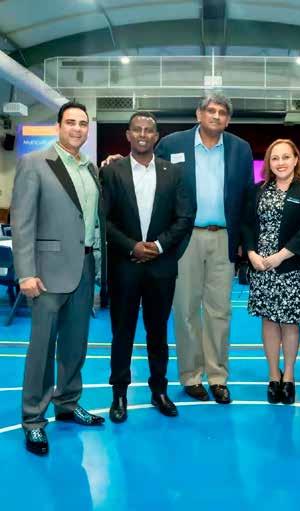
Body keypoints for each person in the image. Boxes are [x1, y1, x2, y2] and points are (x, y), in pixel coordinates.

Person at [11, 101, 105, 456]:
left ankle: (67, 402)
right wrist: (26, 273)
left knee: (75, 345)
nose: (77, 128)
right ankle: (33, 418)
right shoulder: (35, 163)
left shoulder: (90, 168)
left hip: (84, 267)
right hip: (46, 272)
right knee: (42, 349)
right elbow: (22, 222)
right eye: (71, 122)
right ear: (58, 126)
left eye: (83, 123)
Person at [155, 94, 253, 404]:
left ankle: (218, 377)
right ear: (199, 114)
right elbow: (151, 180)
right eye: (210, 110)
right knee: (185, 310)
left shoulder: (240, 149)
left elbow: (247, 198)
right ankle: (191, 376)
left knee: (220, 311)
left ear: (228, 119)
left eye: (222, 112)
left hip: (224, 238)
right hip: (185, 238)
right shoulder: (172, 144)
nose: (216, 116)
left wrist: (245, 242)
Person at [100, 111, 195, 423]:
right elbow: (104, 219)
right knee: (122, 332)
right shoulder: (111, 171)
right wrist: (133, 246)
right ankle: (119, 393)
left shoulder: (174, 172)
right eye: (137, 129)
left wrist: (158, 246)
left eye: (149, 130)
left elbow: (184, 217)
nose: (142, 134)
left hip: (161, 267)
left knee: (158, 332)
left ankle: (159, 390)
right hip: (125, 266)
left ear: (156, 136)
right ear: (128, 135)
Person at [243, 139, 300, 404]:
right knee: (268, 321)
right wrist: (251, 253)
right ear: (269, 163)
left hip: (292, 266)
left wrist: (281, 256)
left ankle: (288, 377)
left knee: (290, 322)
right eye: (275, 158)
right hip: (262, 266)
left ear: (296, 159)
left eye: (286, 157)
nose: (281, 162)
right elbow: (247, 225)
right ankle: (273, 376)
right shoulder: (258, 191)